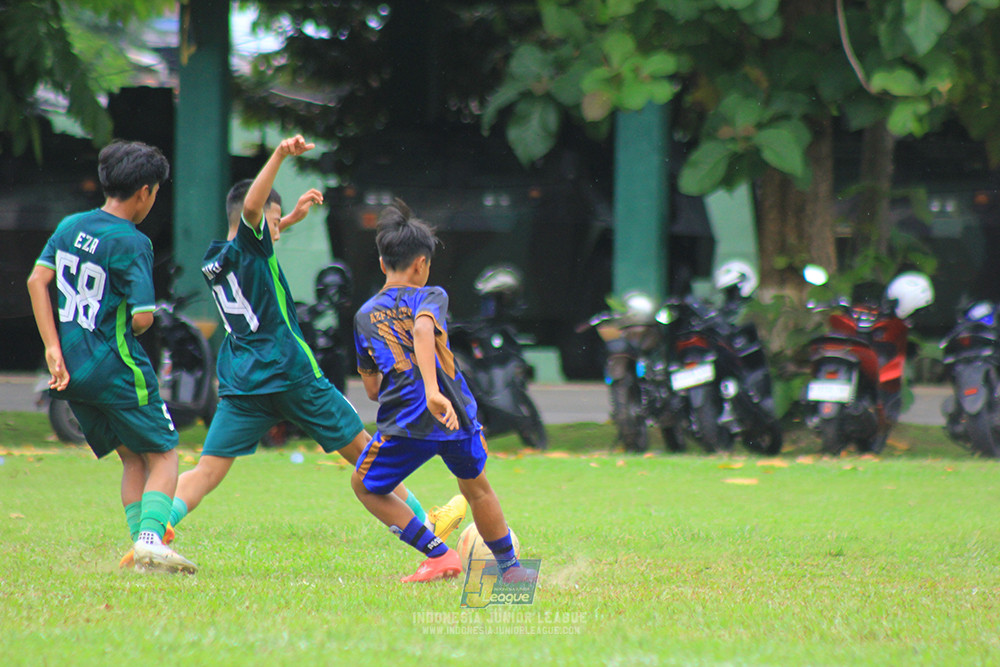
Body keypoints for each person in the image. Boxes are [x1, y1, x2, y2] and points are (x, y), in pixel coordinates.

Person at [119, 135, 465, 568]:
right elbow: (252, 212)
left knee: (207, 471)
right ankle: (425, 524)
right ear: (259, 215)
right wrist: (281, 156)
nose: (277, 228)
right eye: (275, 220)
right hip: (291, 373)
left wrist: (292, 217)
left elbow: (254, 232)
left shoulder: (217, 259)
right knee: (366, 454)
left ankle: (154, 532)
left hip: (243, 380)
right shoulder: (251, 234)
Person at [26, 140, 196, 574]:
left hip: (72, 372)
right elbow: (140, 319)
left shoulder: (69, 226)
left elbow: (36, 281)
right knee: (164, 453)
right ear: (145, 191)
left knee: (132, 457)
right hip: (116, 365)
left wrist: (51, 346)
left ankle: (144, 552)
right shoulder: (131, 241)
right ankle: (150, 539)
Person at [351, 198, 536, 584]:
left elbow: (371, 387)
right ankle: (511, 570)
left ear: (384, 264)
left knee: (366, 486)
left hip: (406, 421)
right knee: (477, 488)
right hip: (455, 413)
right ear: (422, 264)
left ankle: (438, 555)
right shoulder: (431, 295)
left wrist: (412, 386)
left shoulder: (364, 315)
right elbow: (422, 329)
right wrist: (434, 392)